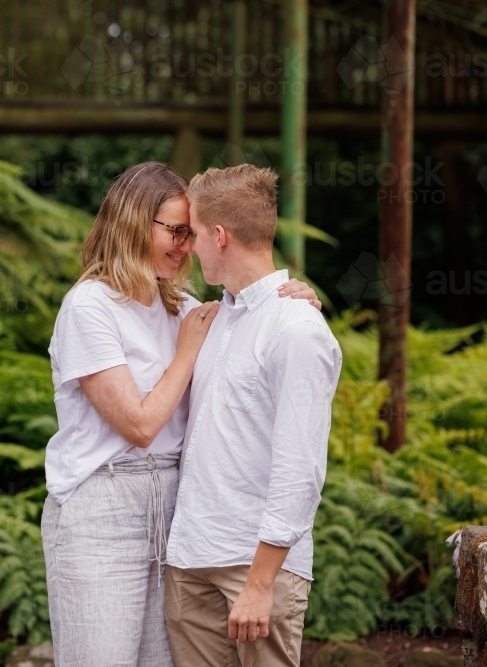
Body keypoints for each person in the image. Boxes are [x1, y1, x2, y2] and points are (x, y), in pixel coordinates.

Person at [41, 161, 321, 667]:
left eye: (192, 233)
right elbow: (139, 425)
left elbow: (262, 331)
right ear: (131, 222)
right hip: (103, 507)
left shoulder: (186, 306)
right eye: (174, 231)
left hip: (176, 511)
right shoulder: (91, 307)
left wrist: (299, 301)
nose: (185, 245)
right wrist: (187, 351)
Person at [163, 164, 343, 667]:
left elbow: (300, 468)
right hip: (190, 559)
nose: (188, 249)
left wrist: (262, 584)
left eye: (193, 235)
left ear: (218, 236)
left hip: (255, 567)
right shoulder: (213, 317)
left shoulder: (296, 328)